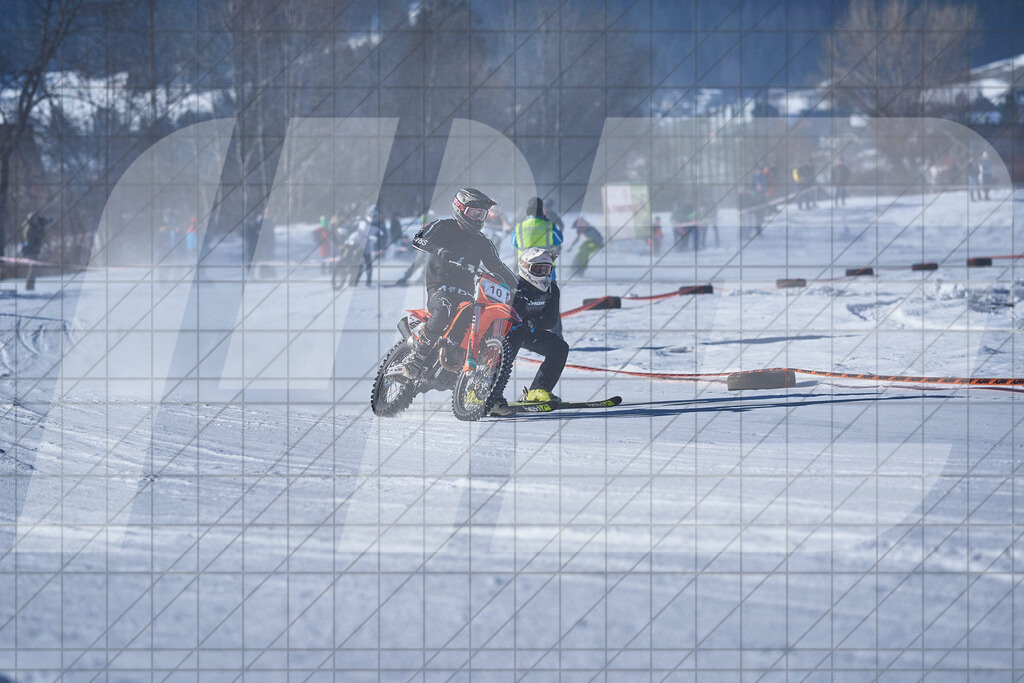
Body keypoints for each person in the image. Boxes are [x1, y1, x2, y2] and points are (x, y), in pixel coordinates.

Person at [403, 188, 517, 378]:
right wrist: (439, 250)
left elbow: (498, 267)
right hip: (439, 287)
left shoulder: (483, 242)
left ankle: (461, 358)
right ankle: (416, 357)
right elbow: (418, 240)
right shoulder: (443, 226)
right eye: (473, 213)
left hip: (466, 293)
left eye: (481, 214)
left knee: (476, 321)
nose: (477, 218)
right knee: (443, 309)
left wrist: (519, 287)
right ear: (459, 208)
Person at [489, 248, 569, 414]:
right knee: (512, 342)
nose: (543, 275)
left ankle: (538, 390)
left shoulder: (552, 290)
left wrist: (531, 323)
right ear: (525, 268)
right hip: (504, 332)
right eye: (538, 270)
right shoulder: (513, 286)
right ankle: (490, 395)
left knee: (559, 347)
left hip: (528, 331)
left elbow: (551, 320)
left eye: (547, 270)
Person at [512, 196, 563, 335]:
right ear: (542, 211)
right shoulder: (548, 225)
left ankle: (525, 336)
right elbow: (560, 239)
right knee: (551, 306)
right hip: (546, 274)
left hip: (525, 274)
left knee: (524, 306)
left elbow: (514, 242)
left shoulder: (520, 226)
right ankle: (556, 335)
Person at [354, 204, 387, 286]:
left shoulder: (380, 225)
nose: (374, 217)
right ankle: (355, 280)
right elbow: (358, 232)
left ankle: (368, 281)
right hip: (360, 246)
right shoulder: (363, 222)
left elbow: (383, 237)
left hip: (370, 247)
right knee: (359, 264)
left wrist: (381, 247)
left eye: (375, 215)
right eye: (371, 215)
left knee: (368, 264)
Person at [21, 211, 51, 290]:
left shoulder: (32, 227)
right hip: (31, 251)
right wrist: (42, 227)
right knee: (33, 269)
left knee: (33, 269)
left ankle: (30, 287)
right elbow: (38, 236)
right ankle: (29, 287)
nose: (36, 220)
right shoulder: (30, 229)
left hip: (33, 250)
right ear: (31, 220)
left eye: (36, 219)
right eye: (34, 219)